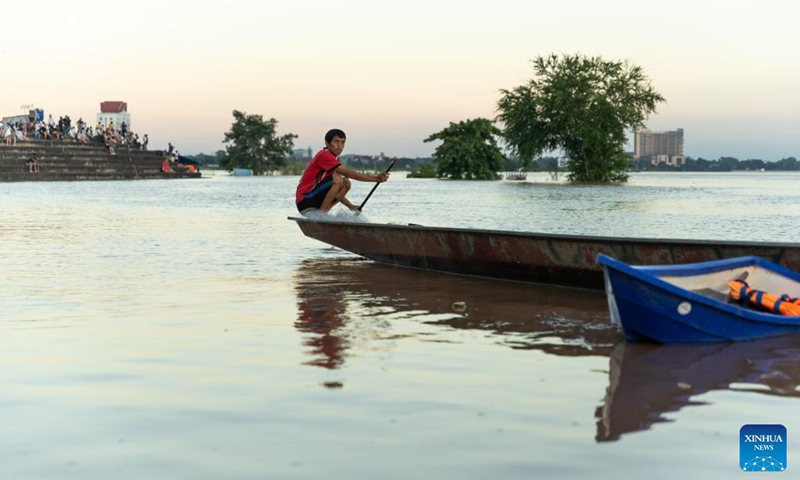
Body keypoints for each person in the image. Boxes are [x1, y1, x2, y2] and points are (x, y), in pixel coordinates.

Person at [295, 129, 389, 214]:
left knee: (346, 183)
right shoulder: (324, 155)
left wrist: (350, 206)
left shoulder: (334, 160)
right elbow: (348, 173)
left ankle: (323, 212)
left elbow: (334, 189)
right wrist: (375, 178)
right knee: (338, 179)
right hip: (305, 200)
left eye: (342, 142)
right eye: (336, 142)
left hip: (314, 201)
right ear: (327, 143)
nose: (340, 145)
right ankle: (322, 214)